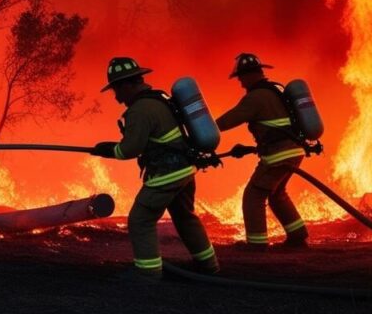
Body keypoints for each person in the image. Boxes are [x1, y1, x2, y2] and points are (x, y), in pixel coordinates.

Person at [90, 56, 219, 278]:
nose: (116, 97)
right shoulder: (159, 98)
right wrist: (114, 146)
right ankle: (209, 265)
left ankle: (147, 273)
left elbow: (130, 149)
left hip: (166, 175)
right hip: (185, 171)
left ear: (127, 85)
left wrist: (109, 150)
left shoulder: (139, 110)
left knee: (140, 219)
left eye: (116, 90)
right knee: (185, 216)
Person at [216, 52, 308, 249]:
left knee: (253, 195)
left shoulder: (255, 97)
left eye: (241, 77)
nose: (240, 82)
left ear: (250, 75)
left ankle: (257, 245)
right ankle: (297, 235)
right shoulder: (276, 89)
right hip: (294, 150)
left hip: (278, 154)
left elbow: (228, 120)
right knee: (276, 193)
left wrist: (204, 130)